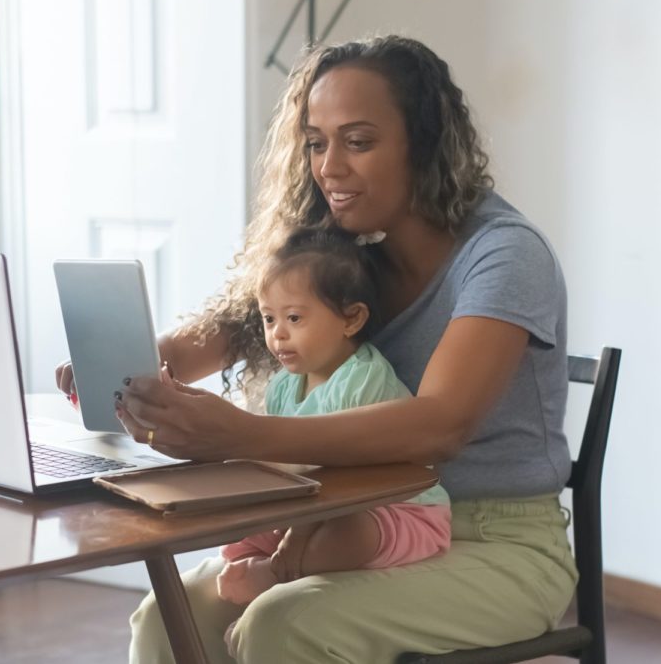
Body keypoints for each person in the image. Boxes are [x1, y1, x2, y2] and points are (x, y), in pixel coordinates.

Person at [55, 34, 577, 663]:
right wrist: (123, 367)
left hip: (498, 543)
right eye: (315, 142)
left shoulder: (506, 255)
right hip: (348, 521)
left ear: (425, 142)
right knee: (167, 619)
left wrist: (242, 435)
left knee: (284, 625)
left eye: (358, 142)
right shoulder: (347, 255)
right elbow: (223, 335)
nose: (329, 167)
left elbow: (441, 425)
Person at [215, 225, 451, 612]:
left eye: (294, 318)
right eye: (269, 319)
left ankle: (275, 573)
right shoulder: (283, 386)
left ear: (351, 319)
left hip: (394, 509)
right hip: (314, 506)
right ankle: (260, 570)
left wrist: (296, 535)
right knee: (241, 525)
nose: (278, 335)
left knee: (350, 532)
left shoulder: (362, 380)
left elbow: (341, 479)